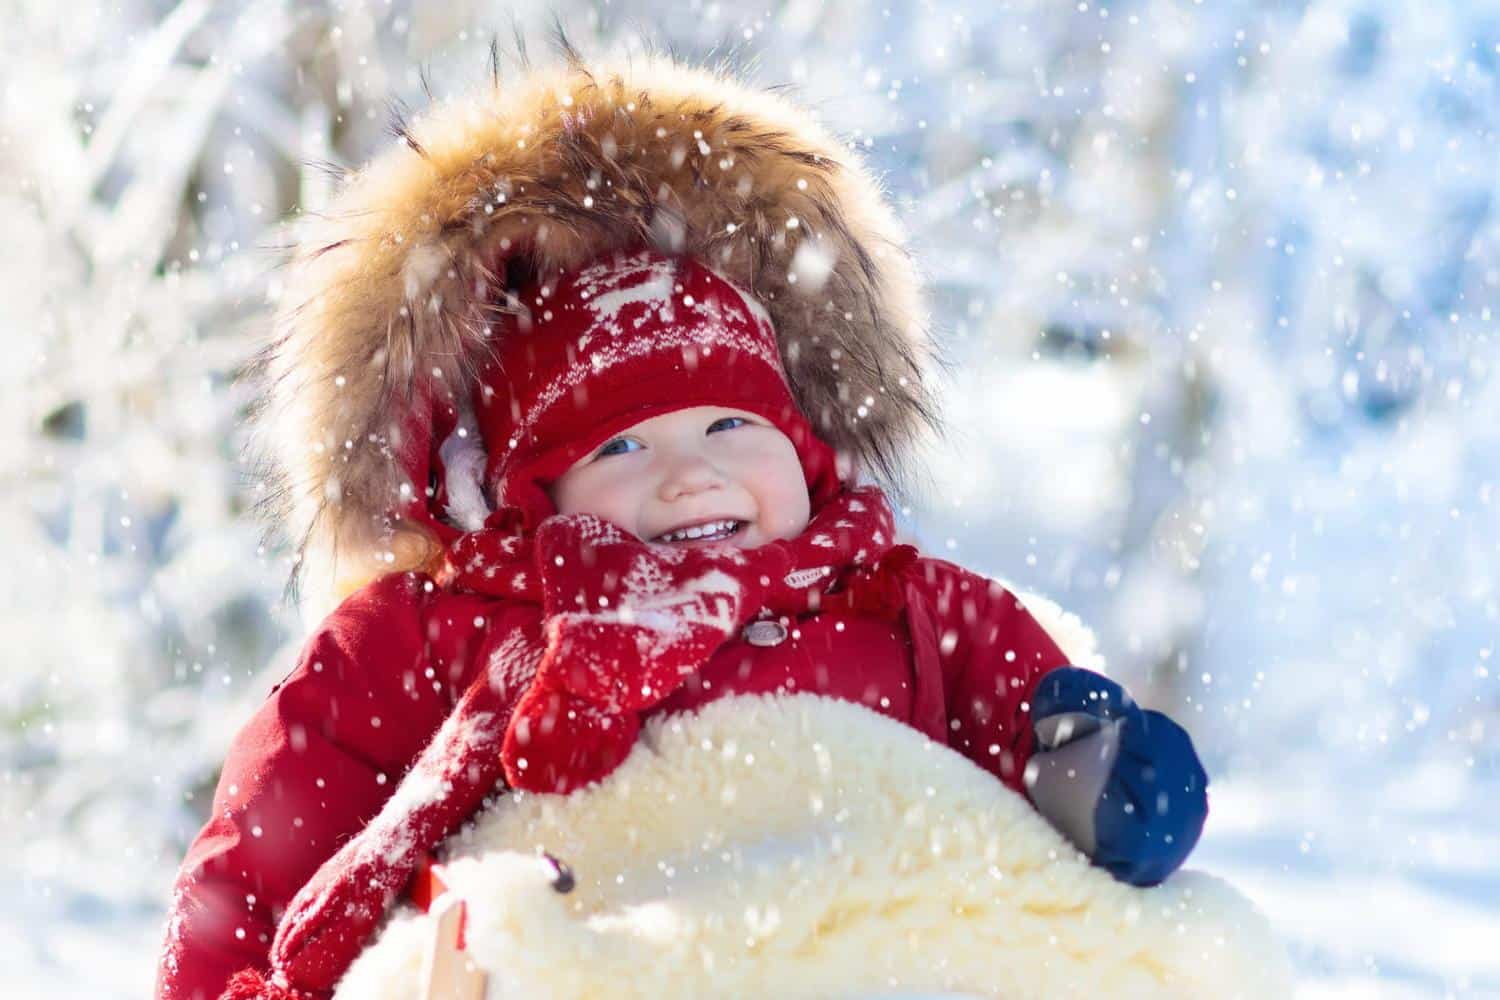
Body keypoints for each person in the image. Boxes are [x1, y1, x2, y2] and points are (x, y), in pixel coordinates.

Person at [156, 56, 1207, 1000]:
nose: (690, 470)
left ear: (805, 451)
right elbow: (259, 861)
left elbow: (1031, 724)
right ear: (530, 497)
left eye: (729, 423)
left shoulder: (906, 610)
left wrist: (1100, 777)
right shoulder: (441, 633)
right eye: (620, 447)